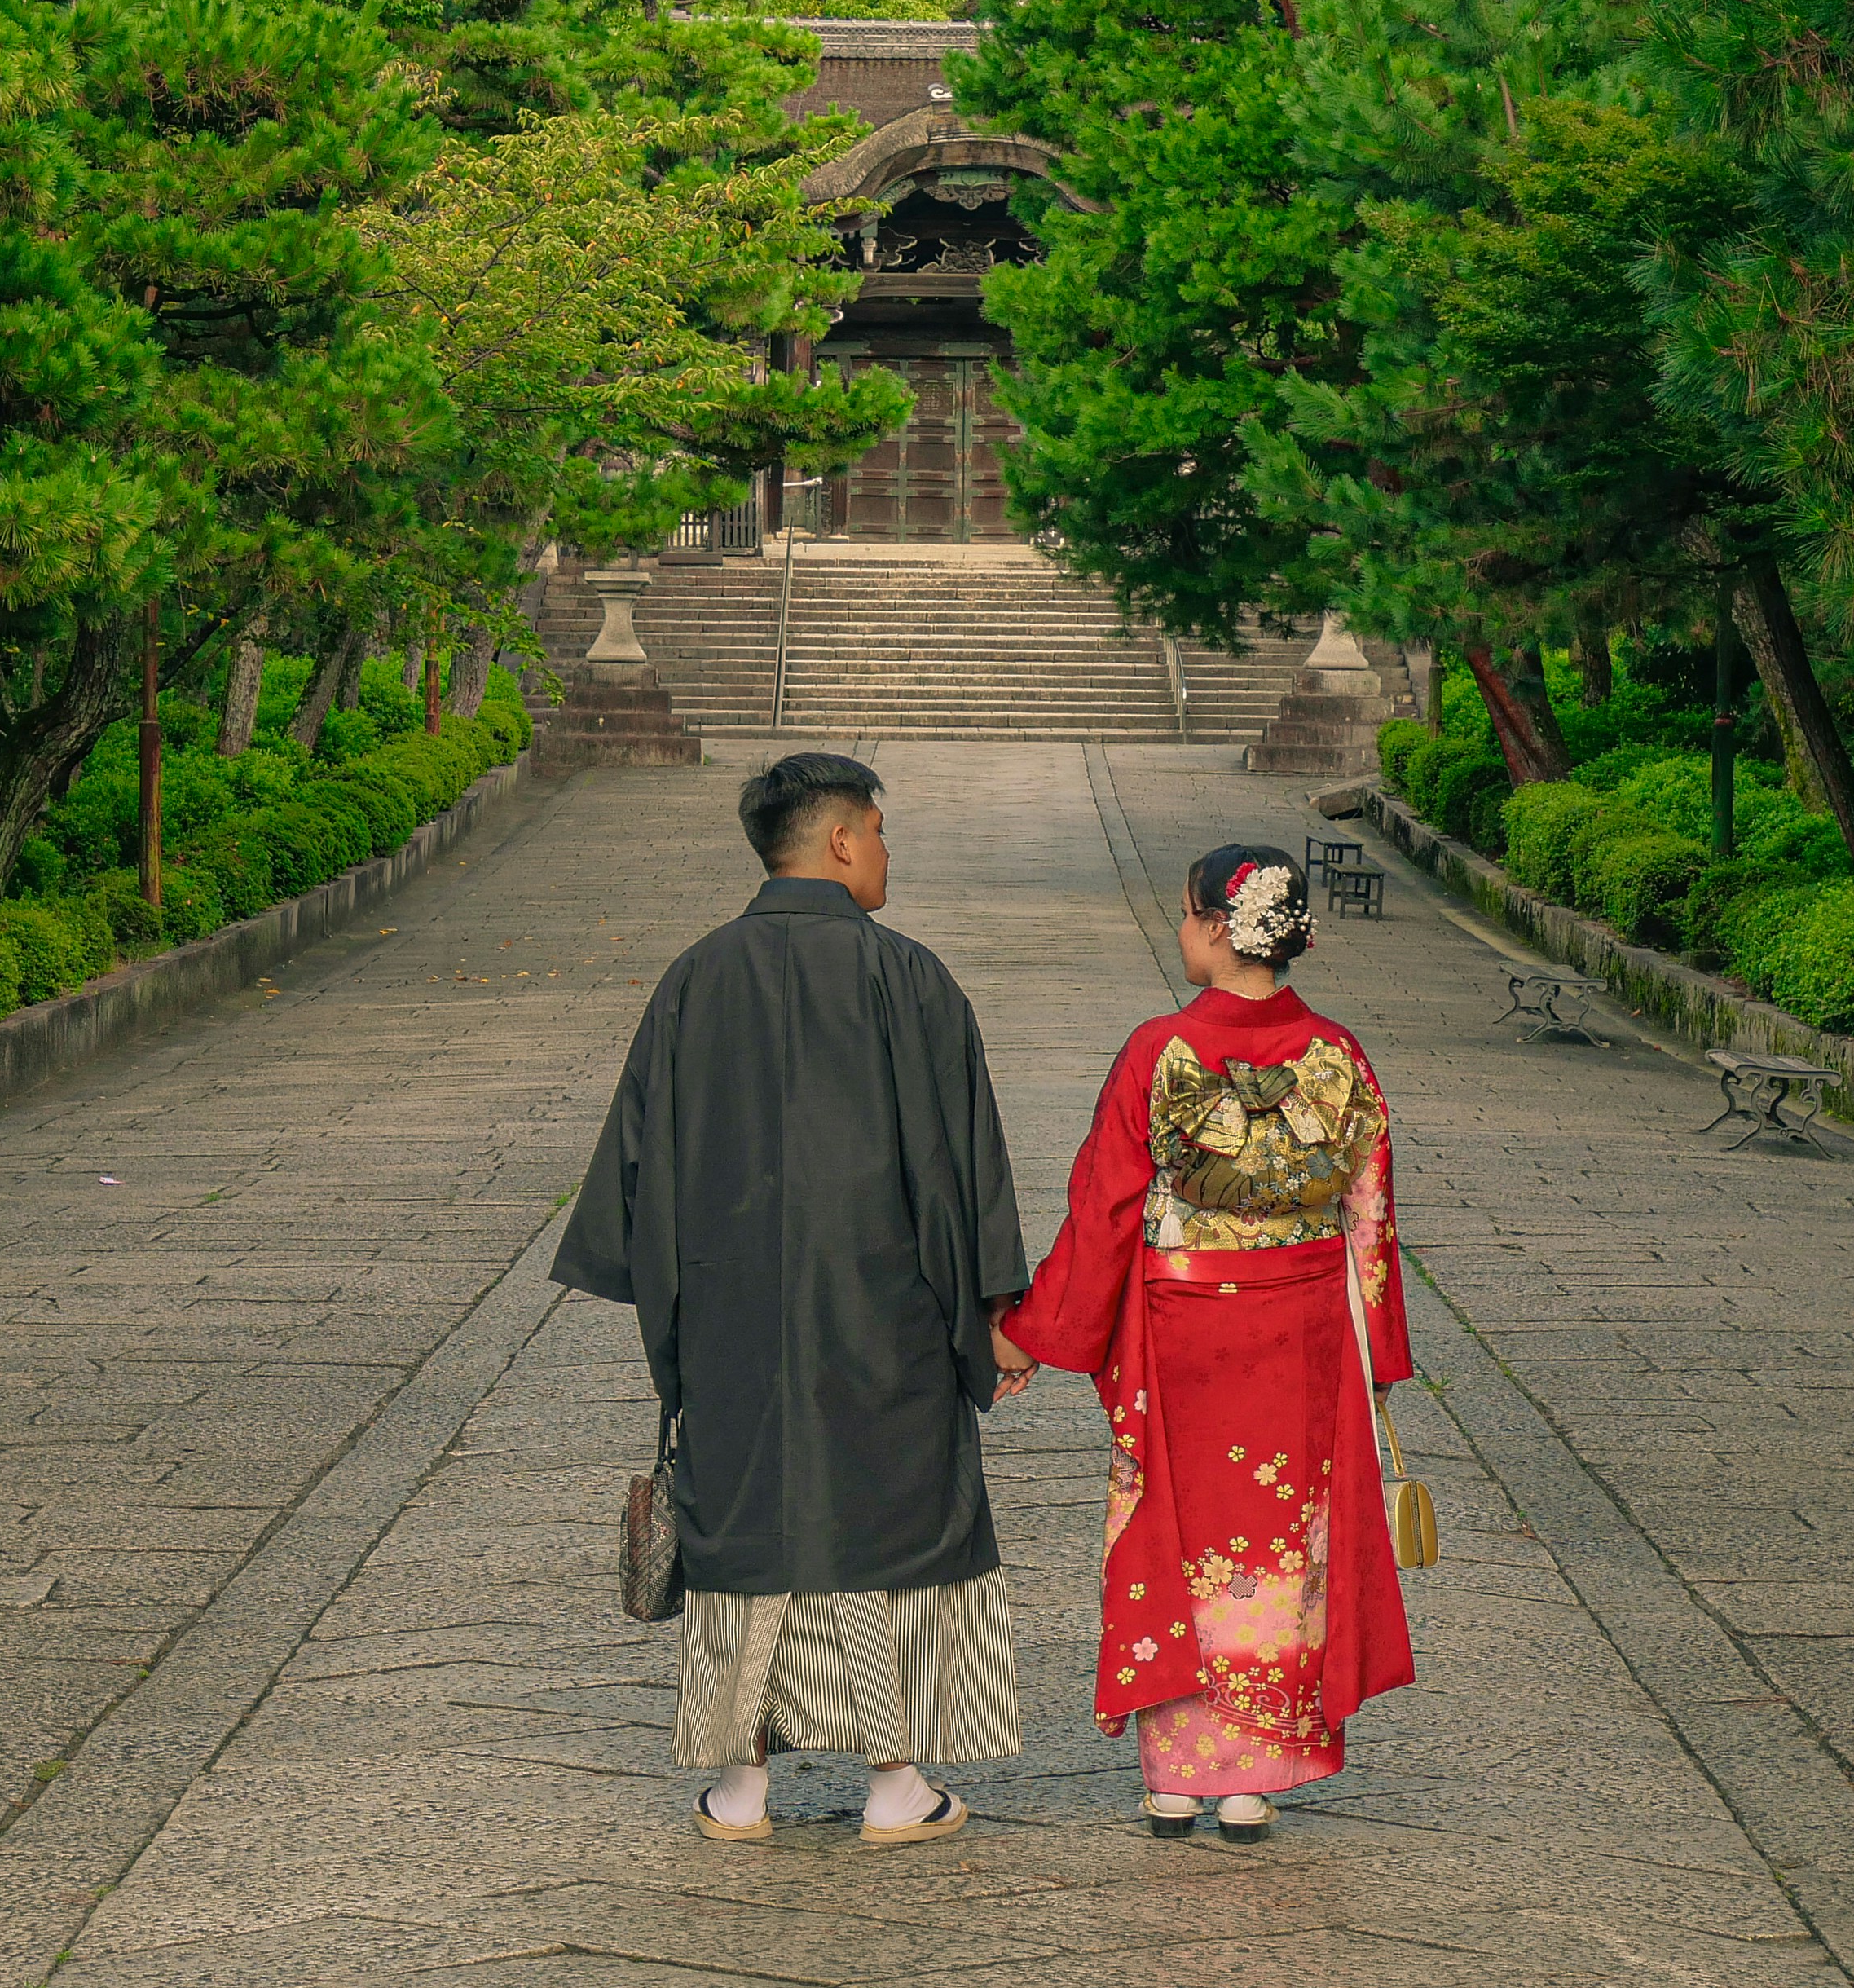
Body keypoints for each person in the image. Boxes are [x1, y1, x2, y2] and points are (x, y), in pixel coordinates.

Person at [558, 752, 1029, 1846]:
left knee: (749, 1524)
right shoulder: (908, 978)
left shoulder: (695, 978)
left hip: (732, 1315)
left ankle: (741, 1783)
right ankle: (895, 1782)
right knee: (887, 1524)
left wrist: (676, 1306)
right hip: (889, 1311)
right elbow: (963, 1168)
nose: (883, 852)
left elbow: (639, 1164)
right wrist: (995, 1311)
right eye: (878, 831)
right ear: (843, 840)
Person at [997, 845, 1417, 1842]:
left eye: (1185, 914)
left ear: (1220, 928)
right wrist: (1379, 1363)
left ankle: (1177, 1774)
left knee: (1179, 1536)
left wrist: (1027, 1332)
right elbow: (1371, 1217)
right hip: (1306, 1329)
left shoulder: (1160, 1051)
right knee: (1281, 1547)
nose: (1181, 928)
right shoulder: (1340, 1056)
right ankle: (1253, 1777)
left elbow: (1103, 1208)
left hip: (1182, 1328)